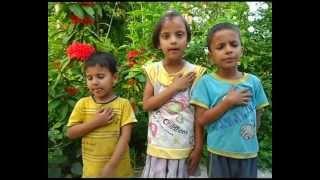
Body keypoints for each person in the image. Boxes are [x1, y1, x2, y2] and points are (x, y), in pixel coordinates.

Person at [190, 22, 269, 178]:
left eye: (234, 45)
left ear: (241, 50)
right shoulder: (205, 83)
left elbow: (259, 112)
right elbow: (201, 119)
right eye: (220, 47)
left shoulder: (254, 82)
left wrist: (249, 134)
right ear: (211, 56)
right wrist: (227, 102)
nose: (228, 50)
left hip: (248, 153)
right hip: (218, 153)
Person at [140, 9, 206, 178]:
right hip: (157, 149)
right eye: (166, 36)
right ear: (158, 43)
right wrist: (175, 87)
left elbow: (199, 116)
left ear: (187, 39)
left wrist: (198, 148)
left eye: (179, 35)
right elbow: (147, 105)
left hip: (183, 150)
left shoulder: (195, 73)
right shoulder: (153, 71)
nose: (173, 41)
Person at [66, 52, 137, 178]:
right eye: (90, 78)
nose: (94, 82)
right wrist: (96, 122)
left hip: (118, 170)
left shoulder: (123, 105)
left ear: (114, 78)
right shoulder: (83, 104)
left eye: (100, 76)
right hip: (92, 172)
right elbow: (71, 133)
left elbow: (125, 138)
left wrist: (111, 166)